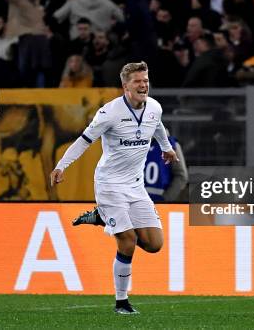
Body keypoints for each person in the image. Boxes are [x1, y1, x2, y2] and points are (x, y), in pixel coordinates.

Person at [50, 62, 178, 315]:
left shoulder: (154, 107)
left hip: (136, 186)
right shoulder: (109, 113)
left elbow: (158, 127)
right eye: (137, 82)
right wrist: (61, 165)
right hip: (109, 185)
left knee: (154, 244)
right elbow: (84, 140)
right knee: (127, 241)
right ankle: (122, 302)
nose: (143, 85)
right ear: (125, 86)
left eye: (145, 80)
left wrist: (167, 148)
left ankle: (100, 218)